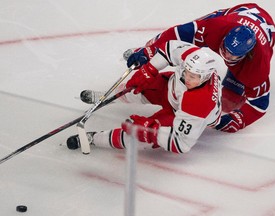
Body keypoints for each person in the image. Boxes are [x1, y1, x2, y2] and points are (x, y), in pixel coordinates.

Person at [125, 3, 275, 133]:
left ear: (246, 55)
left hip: (266, 32)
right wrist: (150, 51)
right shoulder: (216, 27)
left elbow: (259, 105)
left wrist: (236, 120)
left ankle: (235, 76)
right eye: (224, 48)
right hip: (240, 12)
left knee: (230, 100)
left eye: (232, 56)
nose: (226, 55)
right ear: (224, 37)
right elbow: (179, 33)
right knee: (169, 40)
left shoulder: (258, 66)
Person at [67, 40, 222, 154]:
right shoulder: (193, 57)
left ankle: (94, 138)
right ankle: (107, 97)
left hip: (178, 114)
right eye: (186, 72)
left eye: (193, 76)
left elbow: (181, 144)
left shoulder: (200, 103)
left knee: (138, 137)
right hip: (171, 89)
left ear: (206, 77)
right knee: (137, 87)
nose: (187, 78)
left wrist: (150, 132)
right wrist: (150, 69)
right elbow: (169, 48)